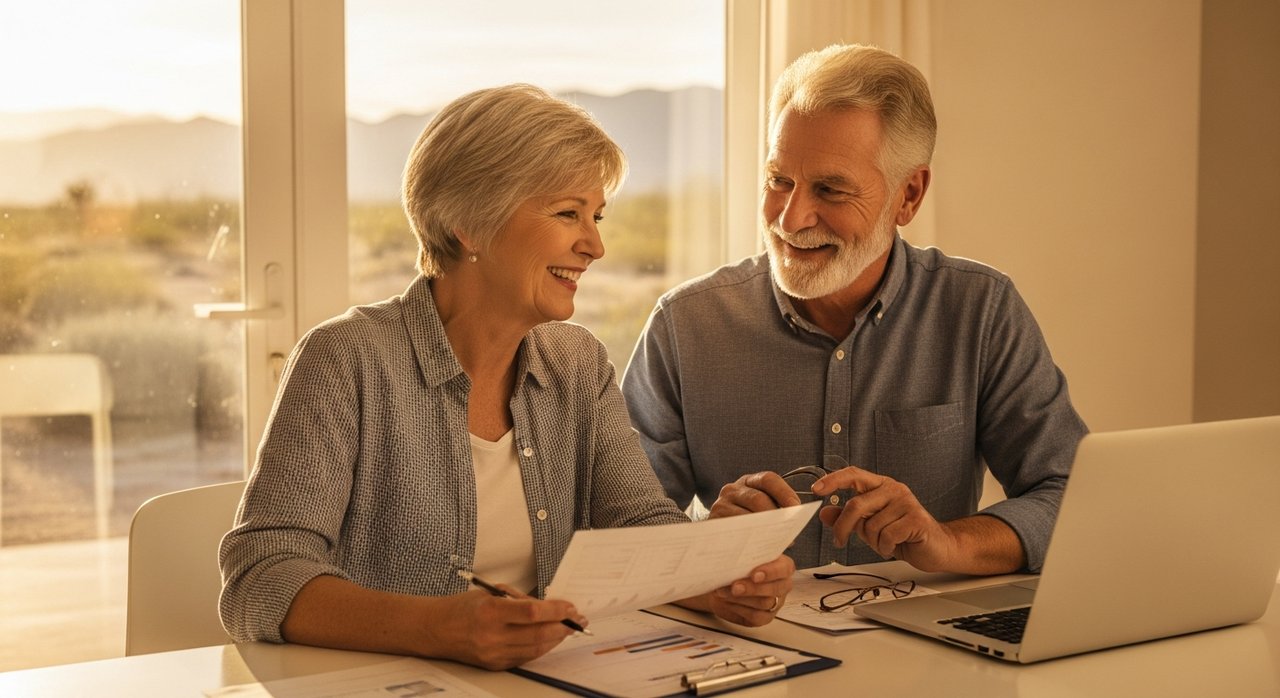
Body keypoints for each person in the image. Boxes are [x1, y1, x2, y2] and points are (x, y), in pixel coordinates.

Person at [218, 84, 794, 671]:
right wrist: (439, 627)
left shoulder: (577, 364)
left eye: (595, 216)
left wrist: (718, 580)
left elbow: (638, 529)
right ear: (469, 221)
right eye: (568, 213)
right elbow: (260, 576)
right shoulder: (345, 359)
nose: (595, 244)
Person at [621, 44, 1088, 576]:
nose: (791, 218)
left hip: (929, 651)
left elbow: (1073, 496)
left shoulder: (980, 311)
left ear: (908, 195)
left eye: (831, 189)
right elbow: (616, 527)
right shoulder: (685, 326)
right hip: (747, 649)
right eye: (779, 181)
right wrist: (710, 549)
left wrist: (947, 541)